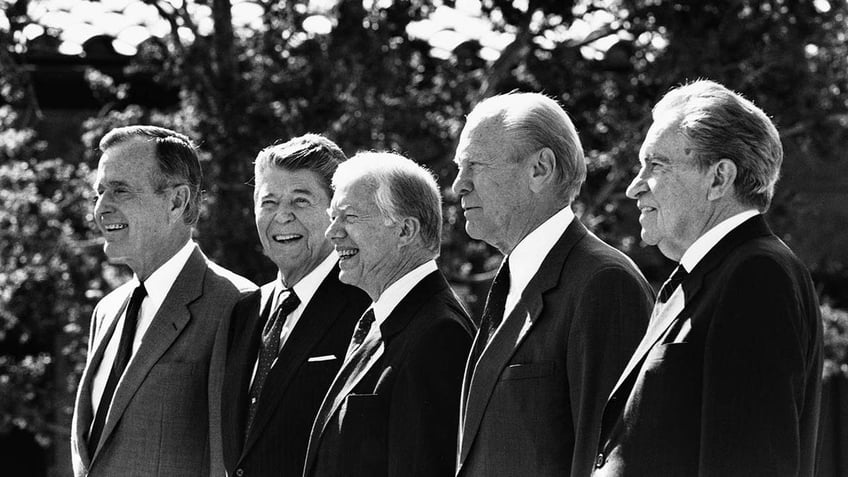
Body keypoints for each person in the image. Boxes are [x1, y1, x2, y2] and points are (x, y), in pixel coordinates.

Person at [593, 80, 823, 476]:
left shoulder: (756, 275)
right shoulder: (710, 275)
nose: (634, 187)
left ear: (719, 178)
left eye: (656, 165)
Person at [452, 92, 653, 477]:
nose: (458, 186)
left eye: (474, 165)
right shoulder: (513, 279)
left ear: (540, 168)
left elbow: (610, 457)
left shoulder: (604, 283)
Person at [70, 125, 256, 477]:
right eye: (99, 192)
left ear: (176, 201)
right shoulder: (106, 311)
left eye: (120, 191)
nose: (101, 208)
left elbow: (226, 463)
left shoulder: (233, 304)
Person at [302, 152, 474, 477]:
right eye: (332, 217)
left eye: (349, 217)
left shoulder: (439, 336)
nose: (332, 233)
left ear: (405, 230)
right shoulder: (382, 318)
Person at [216, 135, 370, 477]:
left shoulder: (366, 307)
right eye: (268, 202)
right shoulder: (245, 310)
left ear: (337, 211)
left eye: (300, 201)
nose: (281, 217)